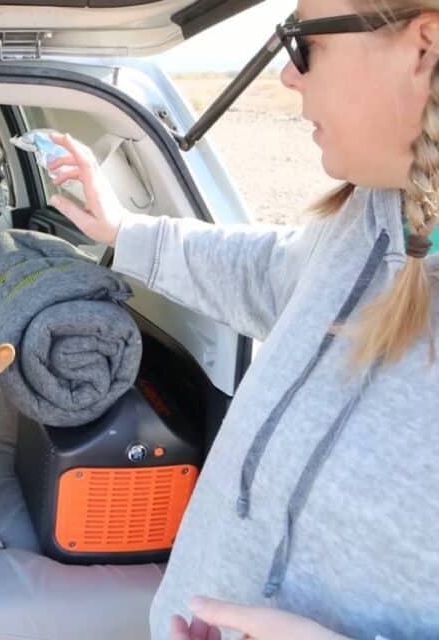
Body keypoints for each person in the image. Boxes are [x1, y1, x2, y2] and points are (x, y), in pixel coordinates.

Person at [48, 2, 439, 639]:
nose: (289, 77)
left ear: (424, 47)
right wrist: (124, 230)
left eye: (302, 42)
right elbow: (266, 273)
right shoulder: (367, 215)